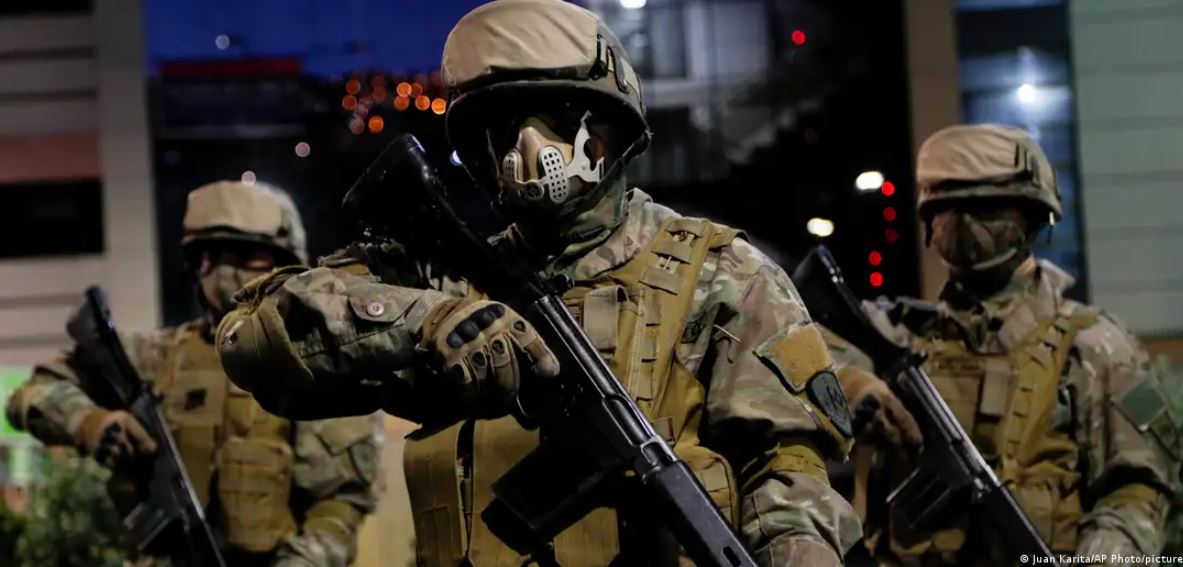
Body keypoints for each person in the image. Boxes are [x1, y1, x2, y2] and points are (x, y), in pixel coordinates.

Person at [215, 0, 861, 564]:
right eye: (504, 122)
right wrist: (424, 324)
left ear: (608, 128)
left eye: (554, 115)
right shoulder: (447, 278)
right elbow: (253, 336)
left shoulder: (725, 277)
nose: (528, 143)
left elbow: (792, 474)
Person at [838, 124, 1179, 565]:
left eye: (985, 208)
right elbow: (801, 360)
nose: (962, 222)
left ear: (1032, 218)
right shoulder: (896, 335)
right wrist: (851, 385)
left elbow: (1138, 488)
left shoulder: (1096, 346)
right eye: (947, 207)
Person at [6, 181, 383, 567]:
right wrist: (92, 424)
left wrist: (304, 561)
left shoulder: (317, 365)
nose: (222, 272)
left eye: (245, 255)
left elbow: (340, 504)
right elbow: (33, 393)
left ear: (285, 263)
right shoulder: (158, 358)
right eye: (208, 256)